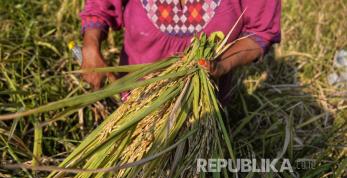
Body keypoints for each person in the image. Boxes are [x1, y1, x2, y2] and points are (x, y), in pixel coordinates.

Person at [80, 0, 281, 101]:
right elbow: (99, 6)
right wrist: (91, 46)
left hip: (203, 109)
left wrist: (223, 64)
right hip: (136, 101)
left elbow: (260, 33)